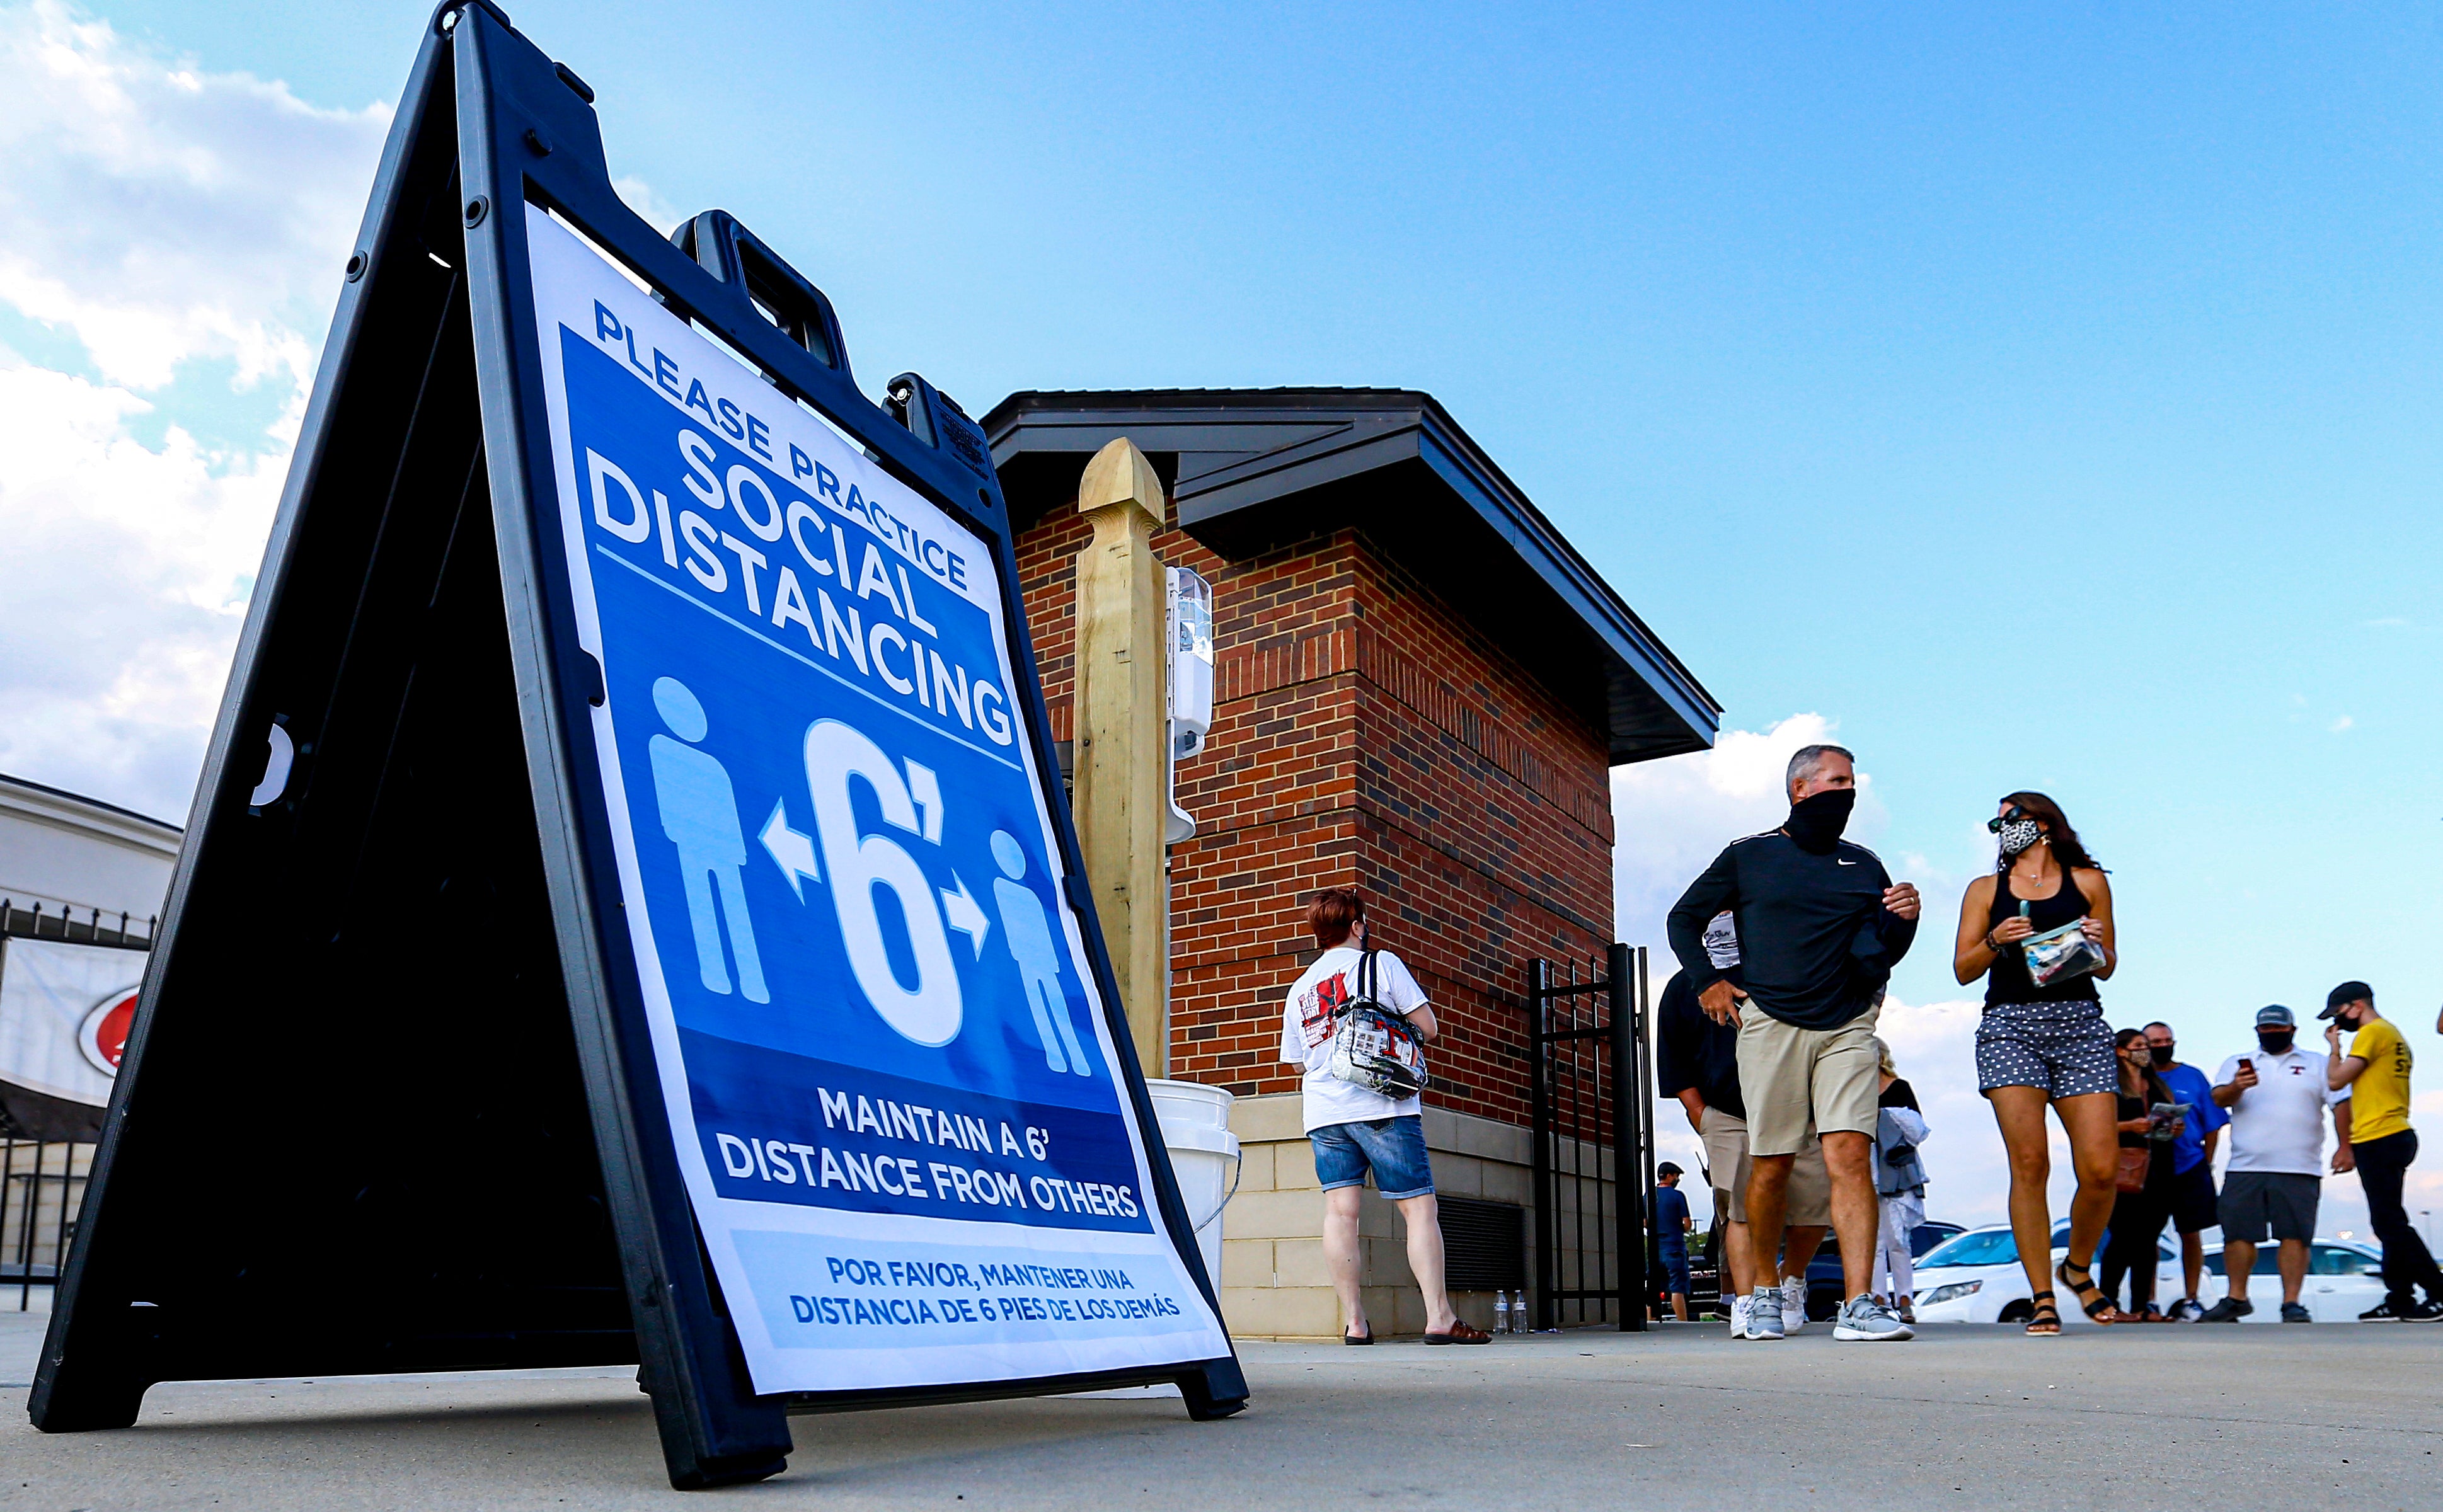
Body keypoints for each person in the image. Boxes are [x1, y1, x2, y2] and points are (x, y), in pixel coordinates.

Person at [1667, 743, 1922, 1344]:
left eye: (1852, 782)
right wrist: (1707, 982)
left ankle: (1859, 1305)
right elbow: (1684, 918)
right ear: (1800, 789)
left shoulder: (1863, 865)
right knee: (1773, 1163)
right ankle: (1758, 1294)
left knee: (1850, 1157)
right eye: (1837, 781)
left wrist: (1904, 920)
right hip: (1771, 1023)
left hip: (1847, 1028)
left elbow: (1880, 950)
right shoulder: (1749, 856)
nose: (1848, 792)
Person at [1280, 888, 1489, 1344]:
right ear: (1356, 926)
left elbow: (1296, 1062)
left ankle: (1355, 1323)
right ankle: (1438, 1317)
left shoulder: (1299, 989)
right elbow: (1428, 1028)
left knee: (1340, 1212)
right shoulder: (1381, 963)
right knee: (1418, 1209)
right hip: (1381, 1102)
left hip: (1323, 1110)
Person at [1950, 791, 2120, 1334]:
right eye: (1996, 821)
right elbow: (1961, 969)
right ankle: (2041, 1294)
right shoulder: (1985, 890)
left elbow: (2109, 967)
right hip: (2009, 1028)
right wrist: (1996, 941)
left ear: (2043, 824)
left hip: (2079, 1026)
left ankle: (2075, 1266)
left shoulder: (2088, 883)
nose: (2001, 827)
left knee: (2099, 1168)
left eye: (2010, 818)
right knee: (2030, 1164)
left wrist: (2096, 945)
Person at [1656, 912, 1835, 1341]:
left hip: (1795, 1106)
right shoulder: (1684, 985)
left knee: (1813, 1206)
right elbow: (1675, 1062)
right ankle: (1748, 1299)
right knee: (1737, 1209)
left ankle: (1790, 1281)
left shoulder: (1781, 971)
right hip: (1726, 1112)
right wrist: (1702, 1116)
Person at [2199, 1005, 2351, 1323]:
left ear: (2293, 1030)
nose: (2271, 1034)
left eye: (2277, 1029)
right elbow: (2219, 1099)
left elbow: (2340, 1105)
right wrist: (2238, 1085)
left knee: (2295, 1234)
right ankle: (2237, 1297)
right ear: (2257, 1032)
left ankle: (2291, 1302)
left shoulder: (2317, 1064)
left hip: (2299, 1166)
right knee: (2238, 1234)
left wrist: (2346, 1147)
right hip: (2245, 1165)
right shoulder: (2239, 1063)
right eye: (2265, 1030)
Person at [2321, 983, 2443, 1321]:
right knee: (2387, 1221)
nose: (2338, 1021)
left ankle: (2437, 1290)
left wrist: (2334, 1049)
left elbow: (2335, 1081)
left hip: (2381, 1135)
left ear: (2357, 1005)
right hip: (2390, 1134)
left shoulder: (2373, 1033)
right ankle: (2400, 1297)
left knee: (2390, 1222)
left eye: (2340, 1013)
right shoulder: (2393, 1034)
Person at [2140, 1020, 2227, 1320]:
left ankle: (2191, 1298)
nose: (2162, 1046)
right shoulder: (2138, 1079)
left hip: (2190, 1165)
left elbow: (2213, 1124)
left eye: (2167, 1040)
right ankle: (2147, 1299)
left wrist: (2207, 1160)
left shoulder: (2192, 1077)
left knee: (2191, 1235)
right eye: (2155, 1042)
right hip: (2149, 1168)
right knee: (2148, 1236)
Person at [2098, 1028, 2182, 1321]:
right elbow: (2095, 1128)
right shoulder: (2110, 1086)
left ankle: (2142, 1305)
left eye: (2146, 1046)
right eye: (2138, 1046)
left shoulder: (2156, 1085)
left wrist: (2172, 1127)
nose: (2144, 1051)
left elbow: (2164, 1122)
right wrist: (2128, 1127)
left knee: (2148, 1241)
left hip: (2158, 1170)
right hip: (2122, 1171)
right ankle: (2108, 1303)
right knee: (2122, 1238)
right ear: (2121, 1051)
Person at [1872, 1040, 1929, 1322]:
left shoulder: (1899, 1086)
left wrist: (1887, 1117)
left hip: (1895, 1165)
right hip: (1866, 1166)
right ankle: (1877, 1297)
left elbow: (1918, 1128)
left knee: (1897, 1237)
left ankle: (1904, 1297)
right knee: (1871, 1239)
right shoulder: (1855, 1088)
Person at [1653, 1164, 1694, 1321]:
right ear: (1669, 1176)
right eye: (1677, 1176)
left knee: (1655, 1285)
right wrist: (1681, 1228)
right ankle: (1682, 1321)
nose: (1678, 1179)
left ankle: (1652, 1319)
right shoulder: (1678, 1196)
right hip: (1675, 1245)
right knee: (1678, 1286)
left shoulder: (1649, 1195)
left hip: (1656, 1246)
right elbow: (1687, 1223)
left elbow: (1644, 1222)